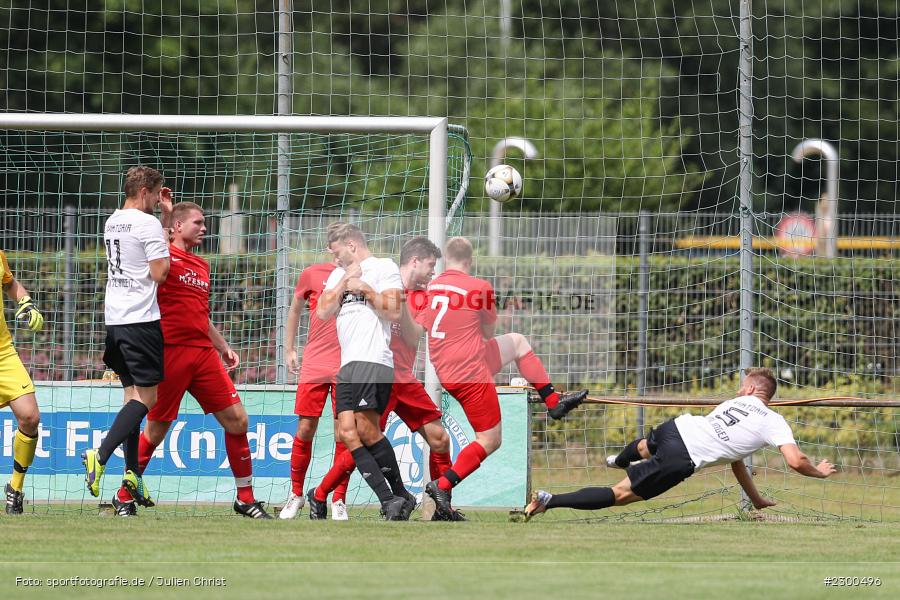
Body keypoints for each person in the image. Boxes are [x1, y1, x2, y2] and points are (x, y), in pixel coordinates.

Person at [112, 201, 271, 518]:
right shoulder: (162, 257)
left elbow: (200, 315)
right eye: (198, 222)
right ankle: (123, 496)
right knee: (155, 432)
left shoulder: (202, 266)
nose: (204, 227)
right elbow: (153, 239)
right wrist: (167, 214)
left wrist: (222, 345)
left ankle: (245, 498)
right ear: (178, 227)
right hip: (168, 352)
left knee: (238, 421)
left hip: (203, 355)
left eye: (204, 222)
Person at [415, 236, 588, 520]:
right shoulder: (480, 287)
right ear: (470, 261)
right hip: (471, 372)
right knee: (490, 440)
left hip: (446, 369)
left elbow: (424, 325)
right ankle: (442, 485)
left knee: (518, 342)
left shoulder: (432, 287)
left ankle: (554, 402)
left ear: (446, 259)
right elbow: (486, 332)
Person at [524, 368, 837, 520]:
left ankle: (621, 459)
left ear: (752, 388)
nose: (739, 388)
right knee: (619, 496)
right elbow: (796, 461)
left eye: (743, 385)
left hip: (678, 426)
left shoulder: (732, 403)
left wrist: (754, 498)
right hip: (683, 455)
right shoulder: (773, 420)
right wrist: (820, 472)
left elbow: (734, 457)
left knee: (647, 444)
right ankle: (550, 501)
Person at [309, 236, 458, 520]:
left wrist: (397, 306)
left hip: (403, 379)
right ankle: (324, 493)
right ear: (415, 261)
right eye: (430, 265)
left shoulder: (419, 297)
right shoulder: (376, 276)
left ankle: (443, 506)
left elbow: (415, 335)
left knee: (439, 438)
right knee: (360, 439)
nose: (432, 272)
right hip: (375, 373)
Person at [82, 166, 171, 507]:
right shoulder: (147, 223)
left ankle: (132, 475)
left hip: (115, 319)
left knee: (131, 398)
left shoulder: (113, 219)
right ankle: (100, 455)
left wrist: (160, 220)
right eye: (157, 194)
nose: (157, 200)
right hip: (140, 320)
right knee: (148, 400)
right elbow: (159, 273)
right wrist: (163, 225)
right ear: (147, 191)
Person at [315, 222, 412, 520]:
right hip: (347, 364)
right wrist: (346, 279)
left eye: (337, 253)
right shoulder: (338, 274)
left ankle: (397, 496)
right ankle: (393, 499)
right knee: (346, 432)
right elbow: (321, 311)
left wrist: (367, 289)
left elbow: (394, 311)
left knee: (368, 430)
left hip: (373, 359)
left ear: (352, 245)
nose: (335, 260)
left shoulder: (384, 267)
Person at [278, 258, 351, 521]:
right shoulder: (311, 273)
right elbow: (295, 309)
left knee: (343, 433)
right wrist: (289, 349)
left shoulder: (362, 273)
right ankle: (296, 495)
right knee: (305, 428)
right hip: (315, 363)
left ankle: (339, 500)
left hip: (348, 363)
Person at [0, 251, 44, 514]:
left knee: (30, 416)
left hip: (3, 352)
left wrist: (26, 302)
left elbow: (9, 283)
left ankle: (14, 488)